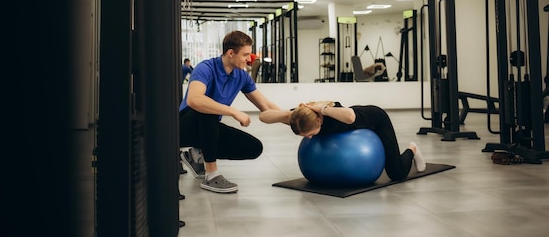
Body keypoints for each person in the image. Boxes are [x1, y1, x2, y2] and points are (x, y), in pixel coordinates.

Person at [179, 30, 282, 193]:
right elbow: (194, 100)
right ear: (231, 53)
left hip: (208, 128)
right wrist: (233, 112)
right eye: (246, 55)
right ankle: (211, 175)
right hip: (184, 126)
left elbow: (265, 106)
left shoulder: (241, 76)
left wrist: (293, 118)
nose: (249, 59)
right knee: (209, 107)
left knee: (253, 147)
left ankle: (195, 155)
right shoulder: (205, 68)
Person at [259, 101, 426, 182]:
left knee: (397, 174)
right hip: (347, 125)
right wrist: (290, 114)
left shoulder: (334, 114)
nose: (309, 138)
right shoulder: (303, 118)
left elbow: (350, 116)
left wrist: (321, 108)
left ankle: (413, 149)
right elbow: (263, 117)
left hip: (376, 121)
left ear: (319, 121)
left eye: (310, 134)